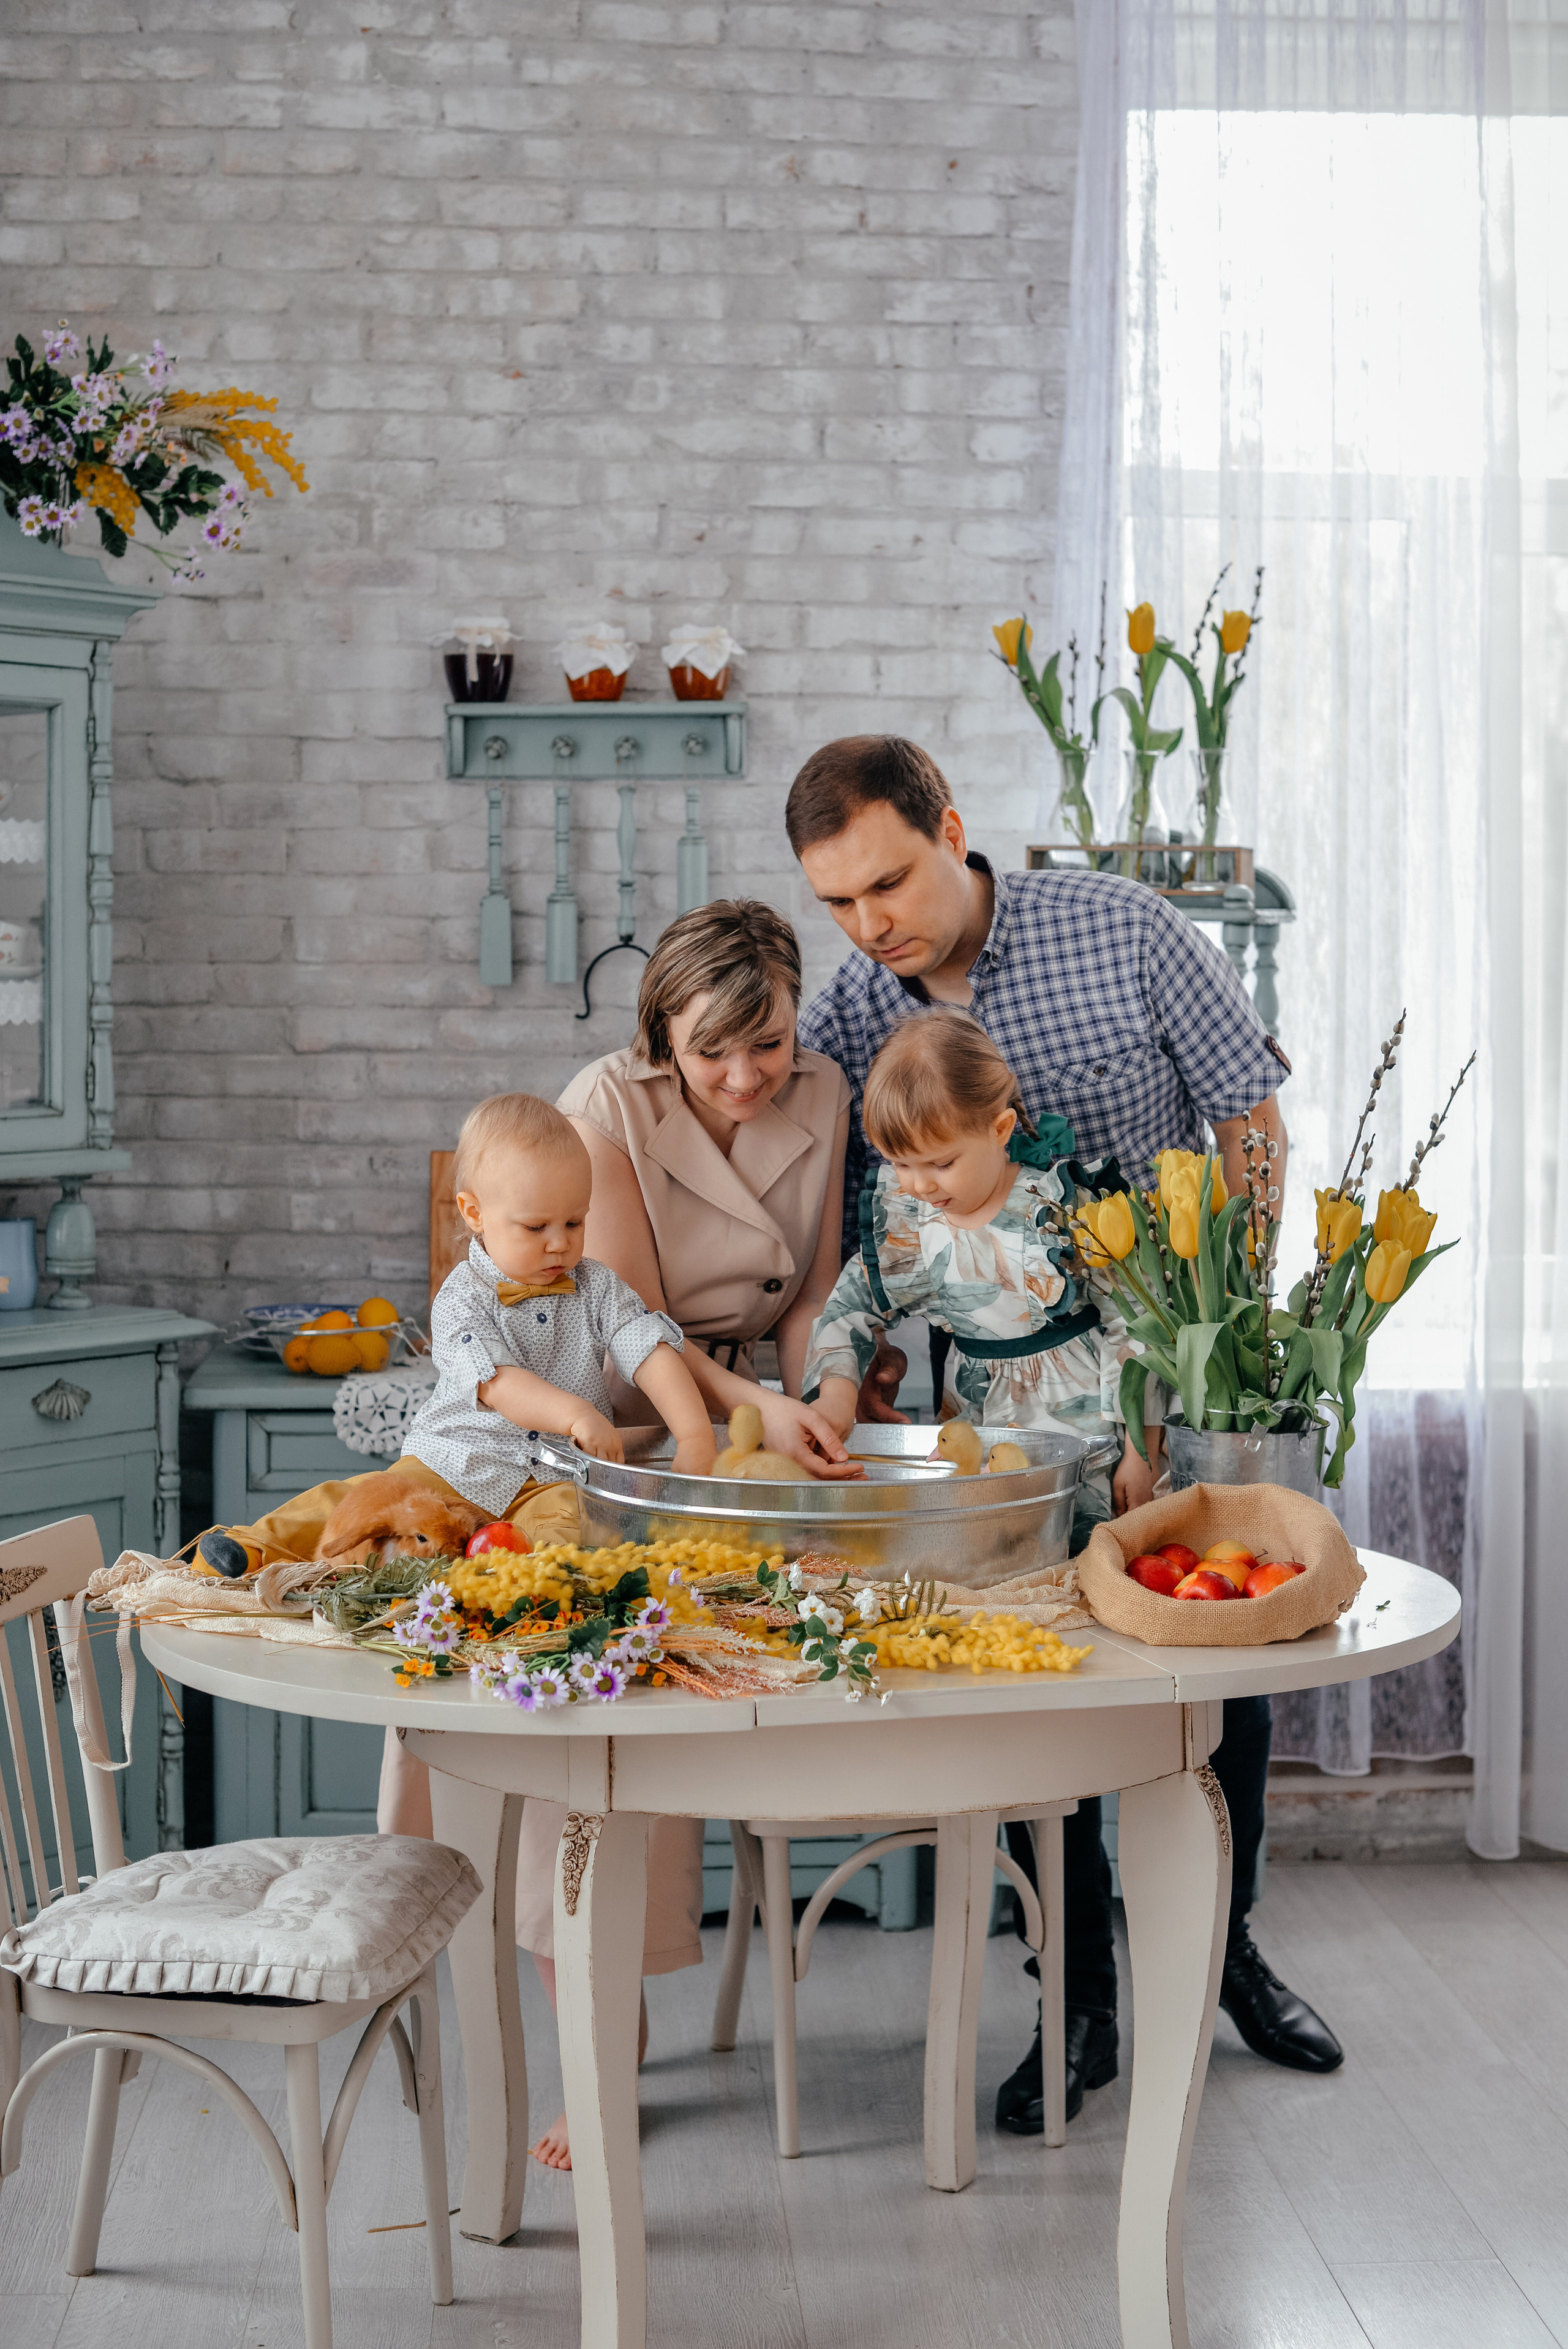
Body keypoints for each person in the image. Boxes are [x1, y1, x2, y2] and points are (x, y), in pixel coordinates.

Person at [789, 733, 1343, 2135]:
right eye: (837, 901)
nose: (868, 924)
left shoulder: (1120, 927)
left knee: (1216, 1666)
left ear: (949, 828)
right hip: (1007, 1432)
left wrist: (1222, 1328)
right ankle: (1075, 1993)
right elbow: (867, 1225)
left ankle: (1224, 1950)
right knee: (1051, 1696)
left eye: (887, 882)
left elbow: (1248, 1119)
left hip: (1169, 1371)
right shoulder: (850, 1011)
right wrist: (862, 1381)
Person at [379, 1090, 718, 2173]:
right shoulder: (463, 1297)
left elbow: (646, 1342)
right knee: (482, 1805)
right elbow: (500, 1384)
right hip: (470, 1525)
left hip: (557, 1549)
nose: (564, 1242)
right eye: (539, 1224)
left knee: (568, 1845)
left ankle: (600, 2061)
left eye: (576, 1220)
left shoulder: (592, 1285)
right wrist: (575, 1411)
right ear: (473, 1213)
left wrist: (694, 1428)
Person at [805, 1012, 1162, 1540]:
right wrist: (837, 1395)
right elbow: (847, 1309)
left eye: (941, 1163)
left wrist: (1141, 1454)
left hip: (1083, 1426)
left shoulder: (1061, 1210)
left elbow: (1135, 1327)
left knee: (1079, 1544)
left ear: (1000, 1130)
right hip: (975, 1421)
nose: (919, 1185)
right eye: (900, 1164)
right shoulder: (911, 1227)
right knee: (985, 1546)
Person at [559, 898, 858, 1477]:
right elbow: (636, 1324)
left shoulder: (824, 1091)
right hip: (616, 1408)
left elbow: (812, 1300)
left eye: (769, 1044)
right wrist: (763, 1408)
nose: (744, 1078)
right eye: (711, 1052)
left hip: (745, 1406)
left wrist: (821, 1412)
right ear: (664, 1033)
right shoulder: (604, 1107)